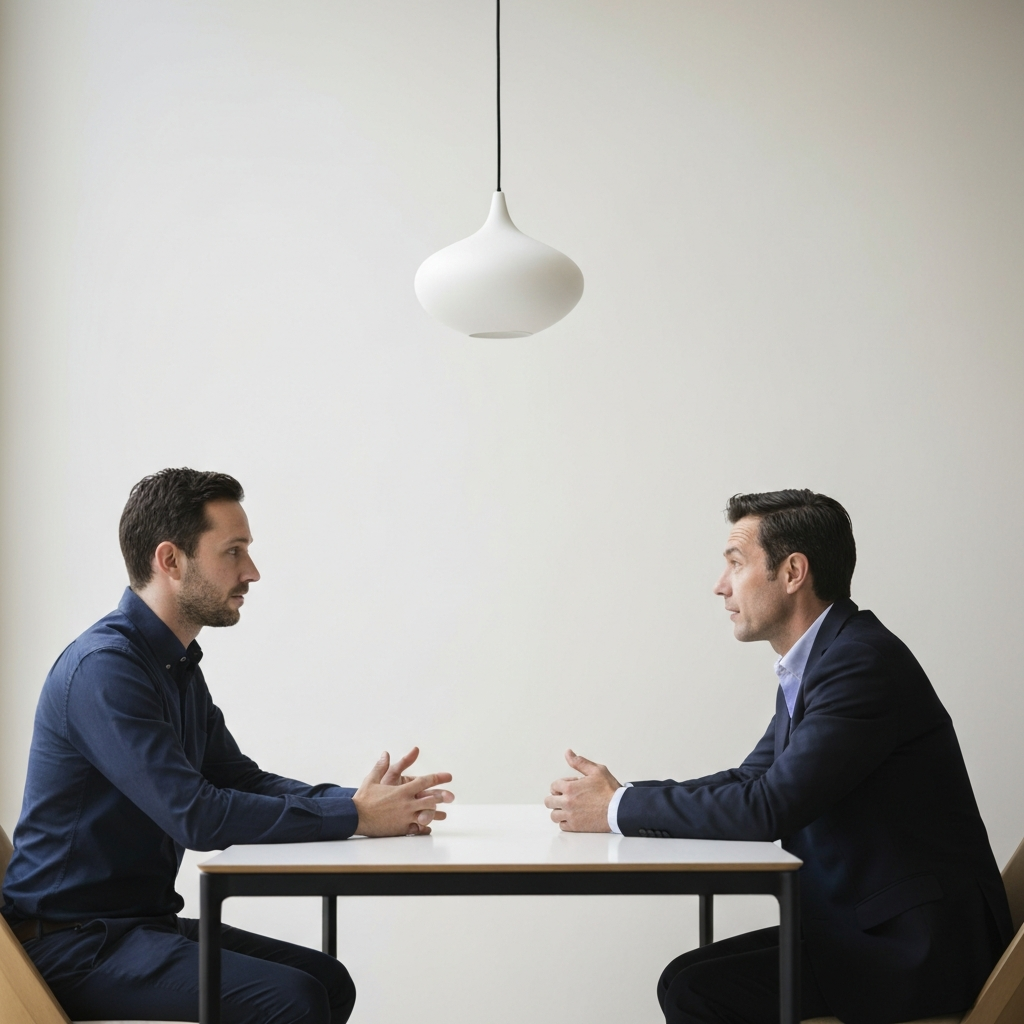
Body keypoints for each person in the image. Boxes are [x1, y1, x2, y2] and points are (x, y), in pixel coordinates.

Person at [2, 468, 453, 1024]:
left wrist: (360, 803)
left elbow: (240, 779)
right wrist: (356, 816)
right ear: (171, 560)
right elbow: (196, 816)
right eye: (233, 551)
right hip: (72, 945)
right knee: (295, 1000)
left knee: (328, 983)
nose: (252, 571)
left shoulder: (174, 667)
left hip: (138, 927)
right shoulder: (105, 670)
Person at [545, 489, 1012, 1024]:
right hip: (871, 927)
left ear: (792, 572)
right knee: (681, 978)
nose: (720, 585)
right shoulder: (822, 661)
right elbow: (751, 779)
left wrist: (615, 809)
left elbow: (769, 807)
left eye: (736, 563)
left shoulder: (860, 663)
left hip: (918, 949)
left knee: (696, 991)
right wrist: (621, 797)